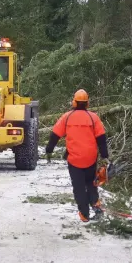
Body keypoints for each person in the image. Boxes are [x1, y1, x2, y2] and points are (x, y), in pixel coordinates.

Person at [45, 89, 109, 223]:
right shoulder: (93, 117)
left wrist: (49, 149)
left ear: (74, 102)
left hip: (74, 160)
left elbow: (55, 135)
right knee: (91, 183)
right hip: (90, 158)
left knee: (78, 187)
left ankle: (84, 214)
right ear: (87, 103)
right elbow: (101, 138)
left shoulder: (66, 117)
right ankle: (96, 205)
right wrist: (104, 155)